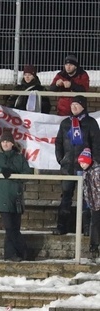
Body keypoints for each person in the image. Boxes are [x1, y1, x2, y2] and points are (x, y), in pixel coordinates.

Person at [53, 95, 100, 235]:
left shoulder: (91, 123)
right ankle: (62, 227)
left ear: (83, 106)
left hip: (85, 167)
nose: (73, 107)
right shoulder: (65, 123)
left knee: (86, 197)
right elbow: (58, 142)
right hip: (68, 167)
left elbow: (96, 144)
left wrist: (93, 163)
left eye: (77, 105)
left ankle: (87, 229)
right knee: (66, 196)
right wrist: (61, 159)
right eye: (72, 105)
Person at [0, 130, 33, 262]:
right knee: (10, 226)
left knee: (14, 227)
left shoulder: (19, 157)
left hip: (16, 197)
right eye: (3, 141)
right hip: (2, 196)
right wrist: (0, 171)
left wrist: (15, 175)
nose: (5, 143)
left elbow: (27, 173)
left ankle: (11, 255)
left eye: (8, 141)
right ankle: (21, 250)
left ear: (12, 143)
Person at [78, 148, 100, 259]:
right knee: (94, 223)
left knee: (95, 223)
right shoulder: (86, 173)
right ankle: (94, 245)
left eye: (83, 162)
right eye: (80, 162)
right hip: (93, 203)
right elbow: (86, 189)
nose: (82, 165)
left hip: (97, 201)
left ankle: (94, 244)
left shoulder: (97, 171)